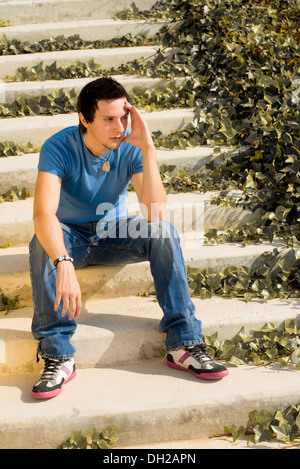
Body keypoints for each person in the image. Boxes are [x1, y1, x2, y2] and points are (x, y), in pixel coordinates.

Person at [29, 77, 228, 399]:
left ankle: (184, 343)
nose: (119, 127)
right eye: (108, 119)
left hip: (114, 232)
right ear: (84, 119)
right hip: (71, 236)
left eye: (123, 118)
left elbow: (153, 214)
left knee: (164, 230)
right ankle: (58, 355)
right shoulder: (58, 146)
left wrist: (147, 148)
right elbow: (43, 215)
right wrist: (63, 261)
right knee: (42, 243)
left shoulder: (131, 148)